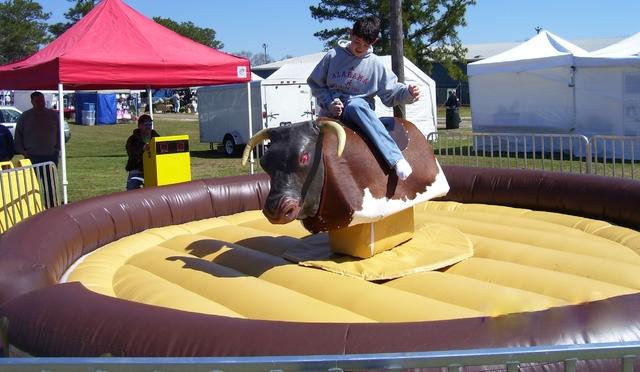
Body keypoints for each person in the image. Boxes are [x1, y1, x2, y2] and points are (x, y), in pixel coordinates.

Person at [307, 15, 420, 181]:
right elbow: (316, 84)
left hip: (359, 110)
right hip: (330, 112)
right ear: (350, 34)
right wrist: (330, 103)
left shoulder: (375, 64)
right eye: (357, 42)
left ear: (373, 42)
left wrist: (408, 93)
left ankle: (396, 159)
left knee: (355, 105)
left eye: (365, 45)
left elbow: (391, 92)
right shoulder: (332, 56)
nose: (360, 48)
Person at [14, 91, 61, 207]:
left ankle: (52, 206)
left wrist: (58, 147)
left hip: (51, 155)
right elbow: (18, 135)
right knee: (32, 184)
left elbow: (60, 133)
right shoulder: (25, 117)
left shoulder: (53, 115)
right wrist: (22, 151)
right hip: (32, 156)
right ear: (32, 102)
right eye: (38, 101)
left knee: (51, 184)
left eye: (42, 100)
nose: (41, 103)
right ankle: (33, 206)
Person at [125, 114, 159, 190]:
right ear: (139, 126)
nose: (148, 126)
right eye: (146, 124)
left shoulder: (157, 137)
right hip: (137, 170)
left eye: (150, 124)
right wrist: (142, 148)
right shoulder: (132, 139)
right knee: (132, 187)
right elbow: (131, 153)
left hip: (154, 170)